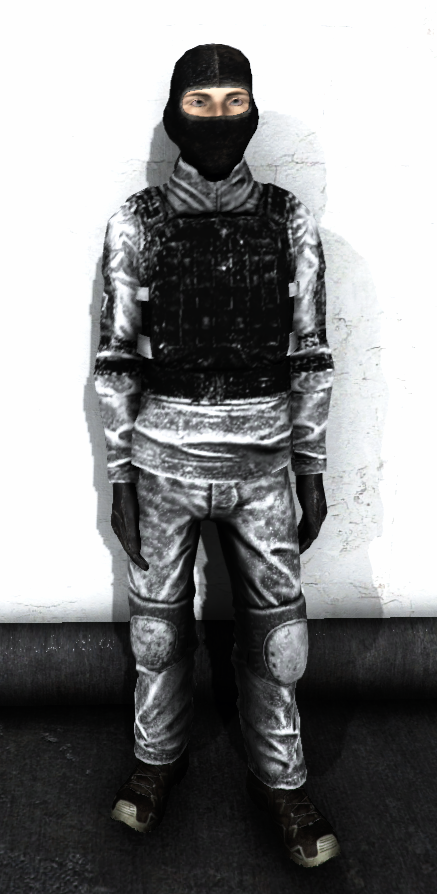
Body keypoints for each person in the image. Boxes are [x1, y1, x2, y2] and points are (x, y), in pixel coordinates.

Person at [93, 43, 339, 869]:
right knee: (156, 633)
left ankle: (283, 781)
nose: (219, 117)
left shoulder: (288, 218)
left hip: (263, 456)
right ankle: (154, 761)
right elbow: (116, 357)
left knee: (279, 641)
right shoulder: (135, 222)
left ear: (253, 109)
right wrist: (121, 474)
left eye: (235, 100)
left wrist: (309, 465)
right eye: (200, 102)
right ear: (173, 112)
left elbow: (309, 351)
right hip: (162, 453)